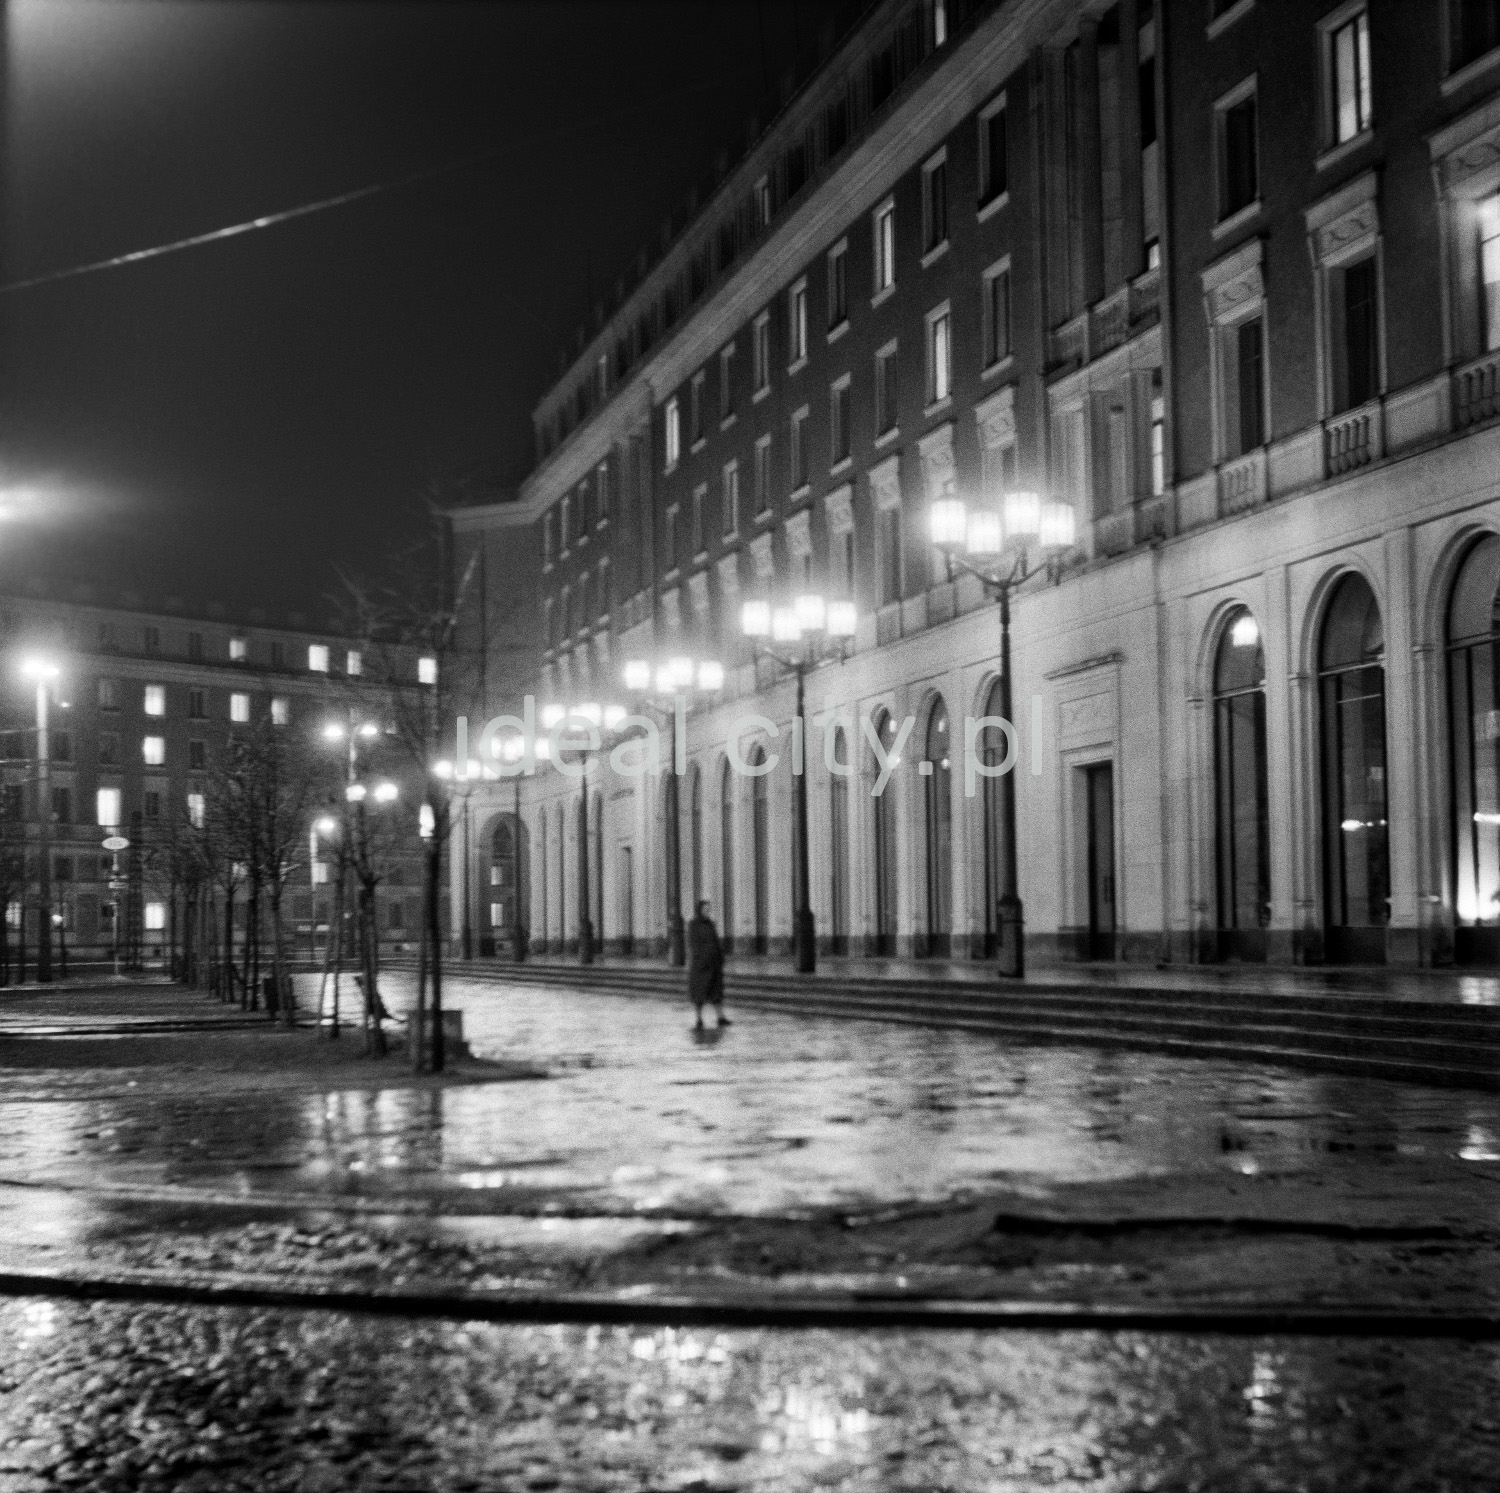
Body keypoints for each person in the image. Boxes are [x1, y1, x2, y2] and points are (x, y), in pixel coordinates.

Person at [686, 899, 729, 1030]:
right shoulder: (693, 925)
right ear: (699, 910)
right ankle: (699, 1019)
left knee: (717, 992)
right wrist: (701, 959)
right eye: (705, 909)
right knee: (699, 993)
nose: (708, 911)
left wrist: (720, 957)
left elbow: (715, 941)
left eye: (709, 909)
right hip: (701, 966)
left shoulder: (710, 924)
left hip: (714, 963)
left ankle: (720, 1017)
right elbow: (694, 944)